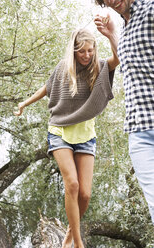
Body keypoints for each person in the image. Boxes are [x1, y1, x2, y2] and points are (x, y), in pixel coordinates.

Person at [14, 18, 119, 248]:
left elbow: (118, 59)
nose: (87, 55)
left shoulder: (98, 67)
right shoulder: (64, 68)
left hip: (86, 134)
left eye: (91, 50)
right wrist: (24, 103)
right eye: (83, 51)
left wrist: (111, 35)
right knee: (72, 185)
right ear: (74, 50)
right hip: (60, 130)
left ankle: (70, 231)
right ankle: (77, 243)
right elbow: (47, 87)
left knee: (85, 195)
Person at [94, 0, 154, 225]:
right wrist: (111, 35)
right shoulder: (126, 29)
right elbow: (130, 62)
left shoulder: (151, 9)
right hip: (139, 132)